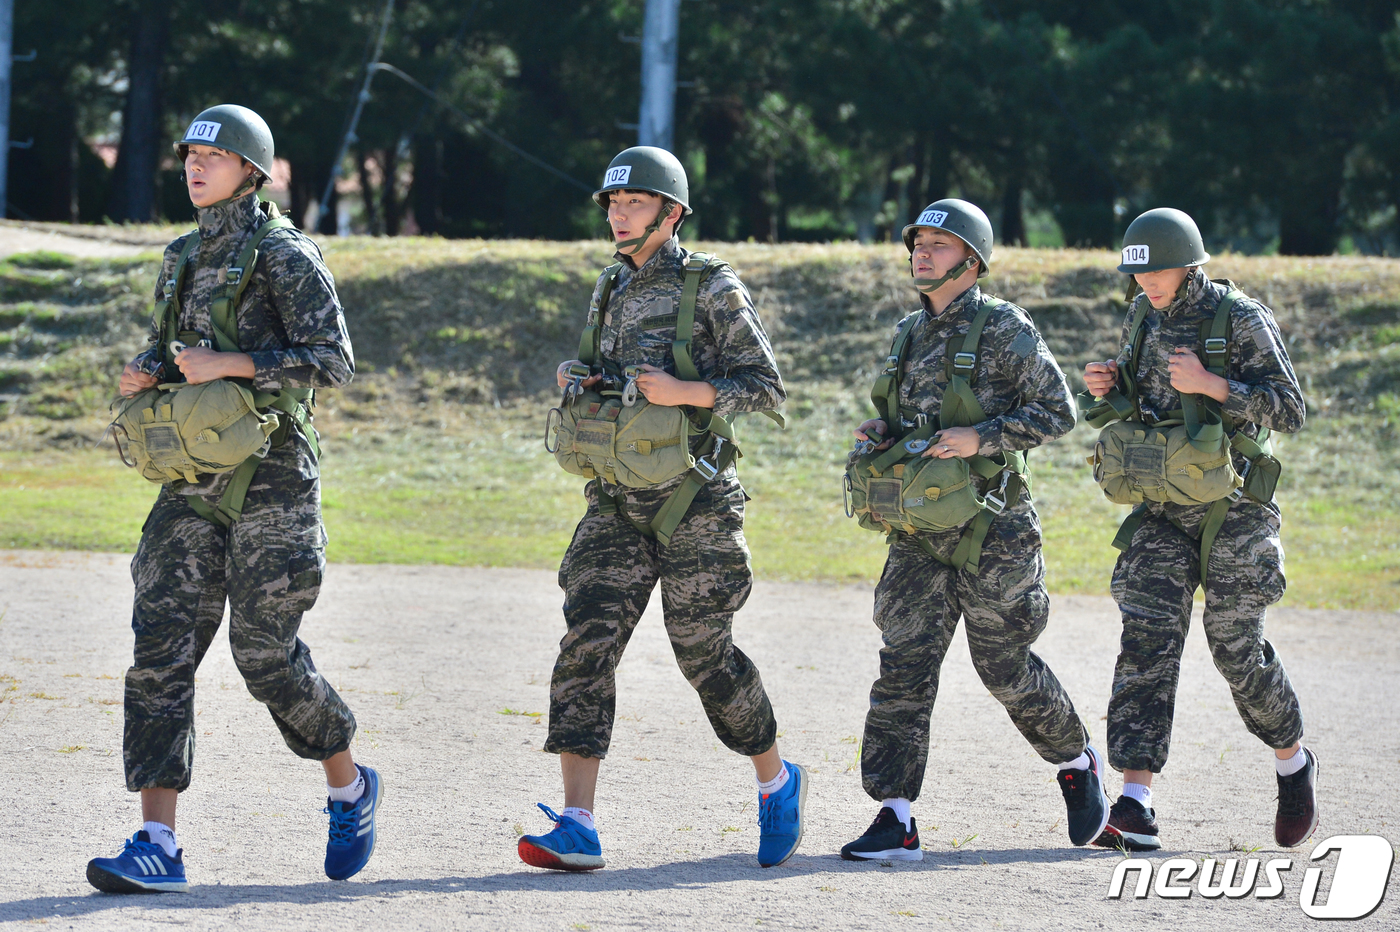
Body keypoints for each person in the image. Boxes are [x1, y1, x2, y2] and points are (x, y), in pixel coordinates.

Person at [87, 105, 379, 893]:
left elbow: (333, 360)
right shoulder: (182, 254)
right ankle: (157, 841)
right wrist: (150, 370)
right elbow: (177, 350)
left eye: (215, 154)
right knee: (159, 652)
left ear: (253, 169)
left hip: (274, 482)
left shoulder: (285, 254)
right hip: (191, 482)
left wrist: (237, 365)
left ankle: (350, 785)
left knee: (265, 657)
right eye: (190, 152)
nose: (195, 164)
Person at [520, 146, 804, 871]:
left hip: (696, 501)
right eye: (612, 204)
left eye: (633, 203)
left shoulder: (711, 285)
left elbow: (766, 388)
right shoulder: (609, 284)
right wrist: (581, 377)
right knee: (586, 643)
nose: (618, 214)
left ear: (670, 213)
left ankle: (776, 780)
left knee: (704, 656)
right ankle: (577, 823)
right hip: (616, 500)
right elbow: (621, 380)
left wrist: (690, 394)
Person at [841, 199, 1110, 862]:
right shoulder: (908, 332)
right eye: (918, 243)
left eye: (939, 243)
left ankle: (1076, 761)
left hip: (995, 530)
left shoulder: (1003, 328)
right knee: (903, 665)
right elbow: (907, 420)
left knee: (1003, 665)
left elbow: (1059, 411)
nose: (922, 254)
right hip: (917, 534)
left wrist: (981, 437)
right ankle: (894, 816)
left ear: (973, 259)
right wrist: (885, 435)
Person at [1083, 207, 1316, 851]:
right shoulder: (1141, 317)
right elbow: (1144, 400)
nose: (1145, 285)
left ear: (1188, 262)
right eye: (1136, 275)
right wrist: (1108, 386)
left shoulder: (1238, 317)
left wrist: (1214, 384)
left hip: (1235, 508)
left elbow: (1289, 407)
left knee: (1235, 649)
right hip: (1163, 507)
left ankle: (1292, 762)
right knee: (1146, 638)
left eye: (1155, 272)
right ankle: (1135, 801)